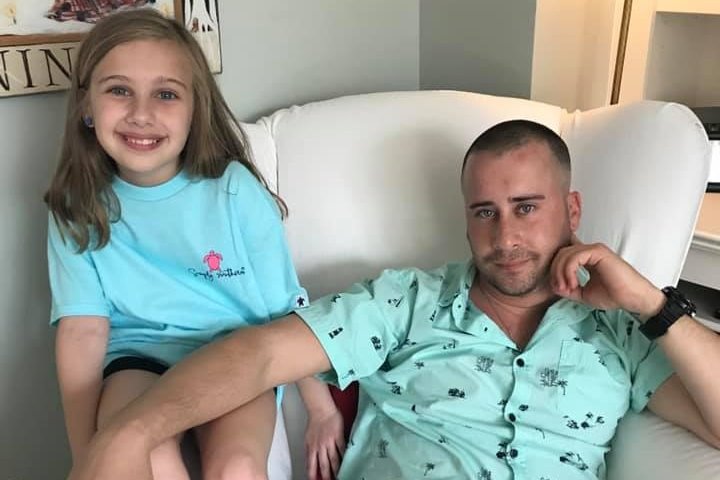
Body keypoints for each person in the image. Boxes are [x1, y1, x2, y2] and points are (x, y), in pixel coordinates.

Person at [68, 119, 720, 480]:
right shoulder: (407, 303)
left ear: (572, 211)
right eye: (485, 212)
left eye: (527, 208)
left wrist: (651, 303)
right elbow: (260, 355)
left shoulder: (622, 334)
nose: (505, 237)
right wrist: (130, 432)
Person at [44, 9, 344, 480]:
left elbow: (284, 307)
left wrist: (322, 410)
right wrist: (87, 455)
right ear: (87, 106)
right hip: (138, 360)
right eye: (119, 90)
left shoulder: (233, 190)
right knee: (148, 457)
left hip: (235, 353)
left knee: (238, 467)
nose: (141, 113)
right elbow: (82, 332)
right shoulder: (76, 205)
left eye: (165, 94)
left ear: (194, 111)